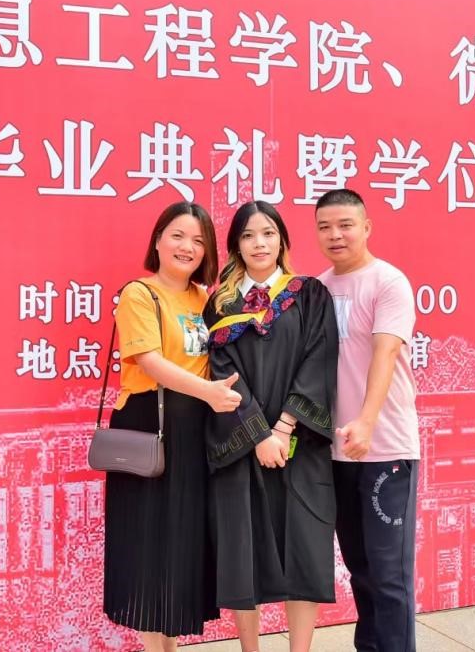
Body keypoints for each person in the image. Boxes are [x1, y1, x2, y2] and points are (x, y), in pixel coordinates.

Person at [104, 201, 244, 652]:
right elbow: (149, 361)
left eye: (198, 241)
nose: (187, 247)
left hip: (193, 429)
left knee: (180, 543)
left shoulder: (205, 299)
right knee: (148, 545)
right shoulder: (139, 294)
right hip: (149, 424)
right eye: (178, 236)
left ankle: (172, 646)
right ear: (158, 240)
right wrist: (208, 392)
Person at [203, 201, 339, 652]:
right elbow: (222, 373)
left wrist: (282, 429)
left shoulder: (309, 294)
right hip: (242, 444)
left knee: (304, 550)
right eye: (248, 235)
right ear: (235, 246)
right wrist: (258, 434)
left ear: (282, 240)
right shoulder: (221, 305)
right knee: (244, 552)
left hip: (299, 442)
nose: (259, 244)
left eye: (267, 233)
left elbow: (319, 359)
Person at [315, 189, 419, 652]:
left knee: (389, 573)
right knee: (360, 568)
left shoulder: (388, 282)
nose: (335, 235)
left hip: (385, 449)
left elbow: (386, 351)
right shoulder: (318, 288)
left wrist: (367, 422)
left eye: (345, 225)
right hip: (335, 451)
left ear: (366, 227)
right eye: (324, 227)